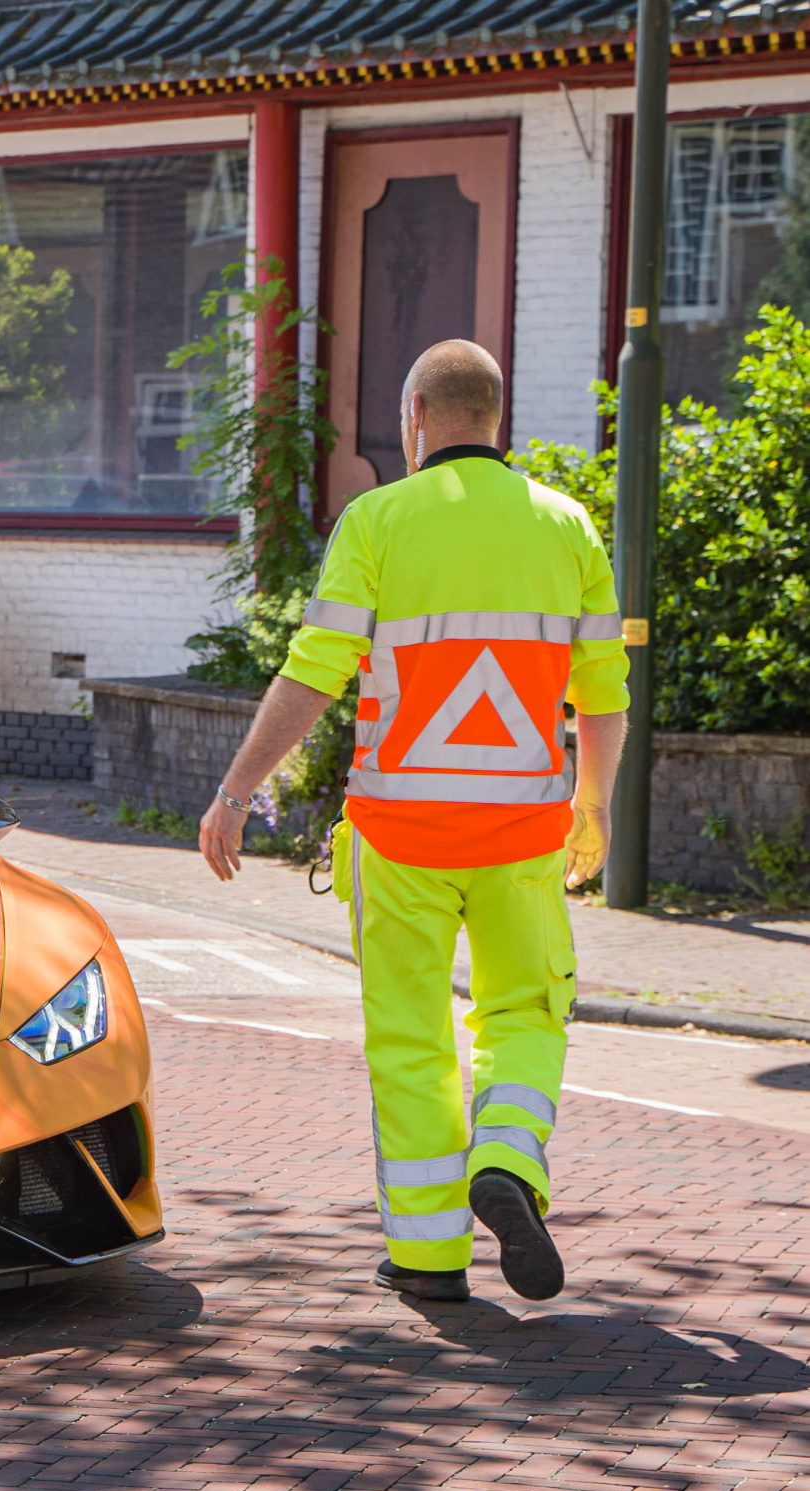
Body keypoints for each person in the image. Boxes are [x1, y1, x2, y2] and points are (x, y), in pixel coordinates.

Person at [196, 340, 628, 1307]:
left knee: (412, 1037)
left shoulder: (376, 521)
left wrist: (235, 794)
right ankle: (509, 1160)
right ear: (496, 418)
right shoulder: (567, 526)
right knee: (525, 1011)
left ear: (417, 416)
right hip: (524, 833)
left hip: (400, 836)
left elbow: (314, 669)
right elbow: (605, 693)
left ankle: (431, 1259)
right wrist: (592, 808)